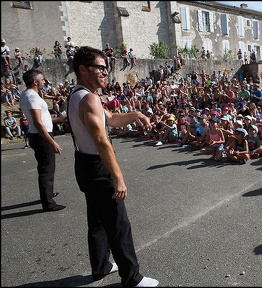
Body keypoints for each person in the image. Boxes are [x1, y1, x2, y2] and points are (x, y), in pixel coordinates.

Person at [67, 46, 159, 287]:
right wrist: (117, 176)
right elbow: (101, 140)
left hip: (84, 164)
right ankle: (132, 278)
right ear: (83, 69)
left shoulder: (78, 94)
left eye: (106, 68)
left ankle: (101, 266)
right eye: (100, 67)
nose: (105, 72)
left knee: (97, 220)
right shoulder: (89, 98)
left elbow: (111, 119)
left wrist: (137, 114)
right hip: (97, 167)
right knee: (118, 224)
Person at [19, 69, 66, 212]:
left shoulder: (27, 95)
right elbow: (38, 123)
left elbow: (42, 119)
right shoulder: (32, 97)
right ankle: (48, 203)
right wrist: (52, 142)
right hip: (42, 137)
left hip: (38, 135)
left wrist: (61, 119)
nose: (44, 81)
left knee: (45, 167)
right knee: (46, 169)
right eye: (42, 79)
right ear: (35, 82)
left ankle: (48, 194)